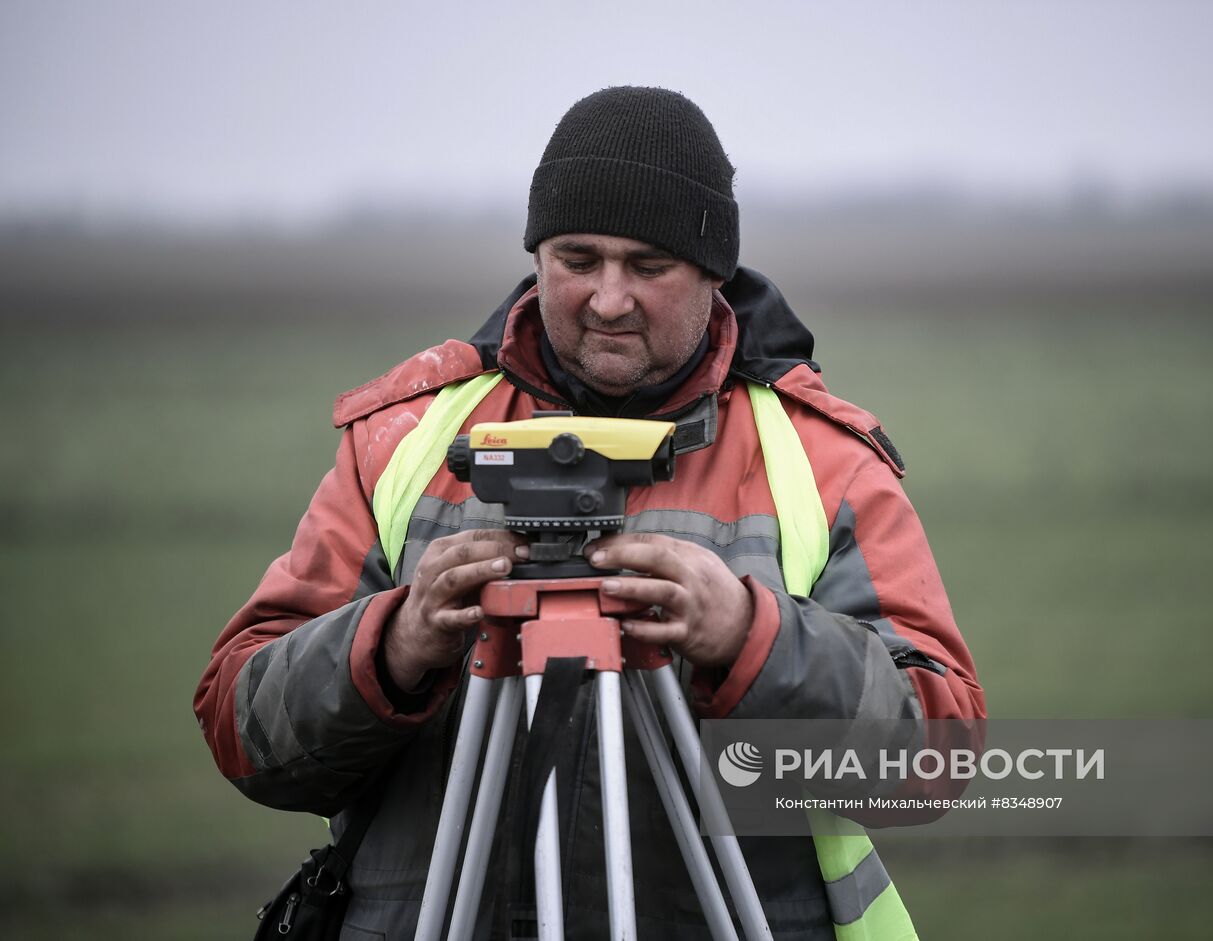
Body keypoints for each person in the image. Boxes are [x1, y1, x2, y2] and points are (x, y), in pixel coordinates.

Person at [195, 86, 984, 940]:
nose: (610, 299)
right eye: (579, 259)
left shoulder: (819, 460)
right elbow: (243, 727)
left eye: (649, 266)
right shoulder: (406, 439)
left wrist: (751, 638)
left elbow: (935, 759)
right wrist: (393, 644)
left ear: (715, 273)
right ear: (537, 254)